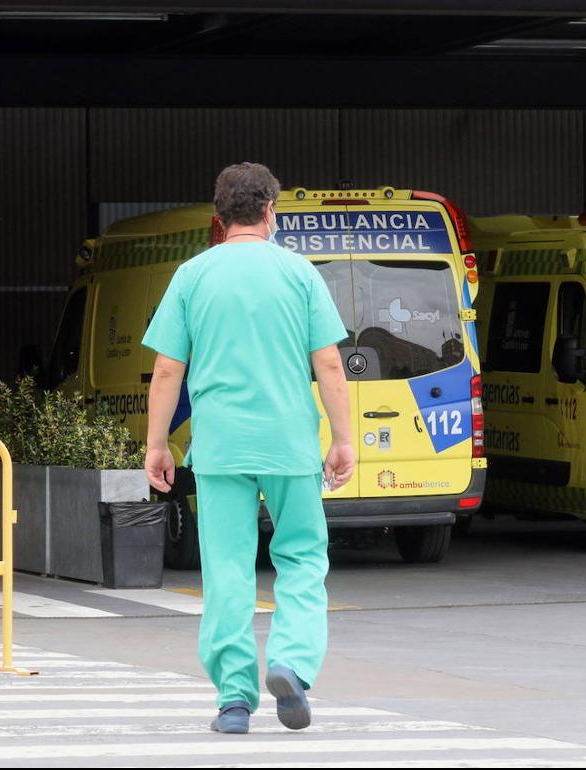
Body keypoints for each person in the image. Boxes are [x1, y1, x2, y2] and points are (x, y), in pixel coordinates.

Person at [142, 162, 355, 735]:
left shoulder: (192, 275)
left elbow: (167, 370)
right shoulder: (300, 274)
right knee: (303, 558)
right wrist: (343, 438)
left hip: (219, 449)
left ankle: (234, 702)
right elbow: (329, 363)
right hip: (289, 442)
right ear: (269, 211)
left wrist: (156, 444)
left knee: (229, 571)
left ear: (219, 218)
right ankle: (290, 660)